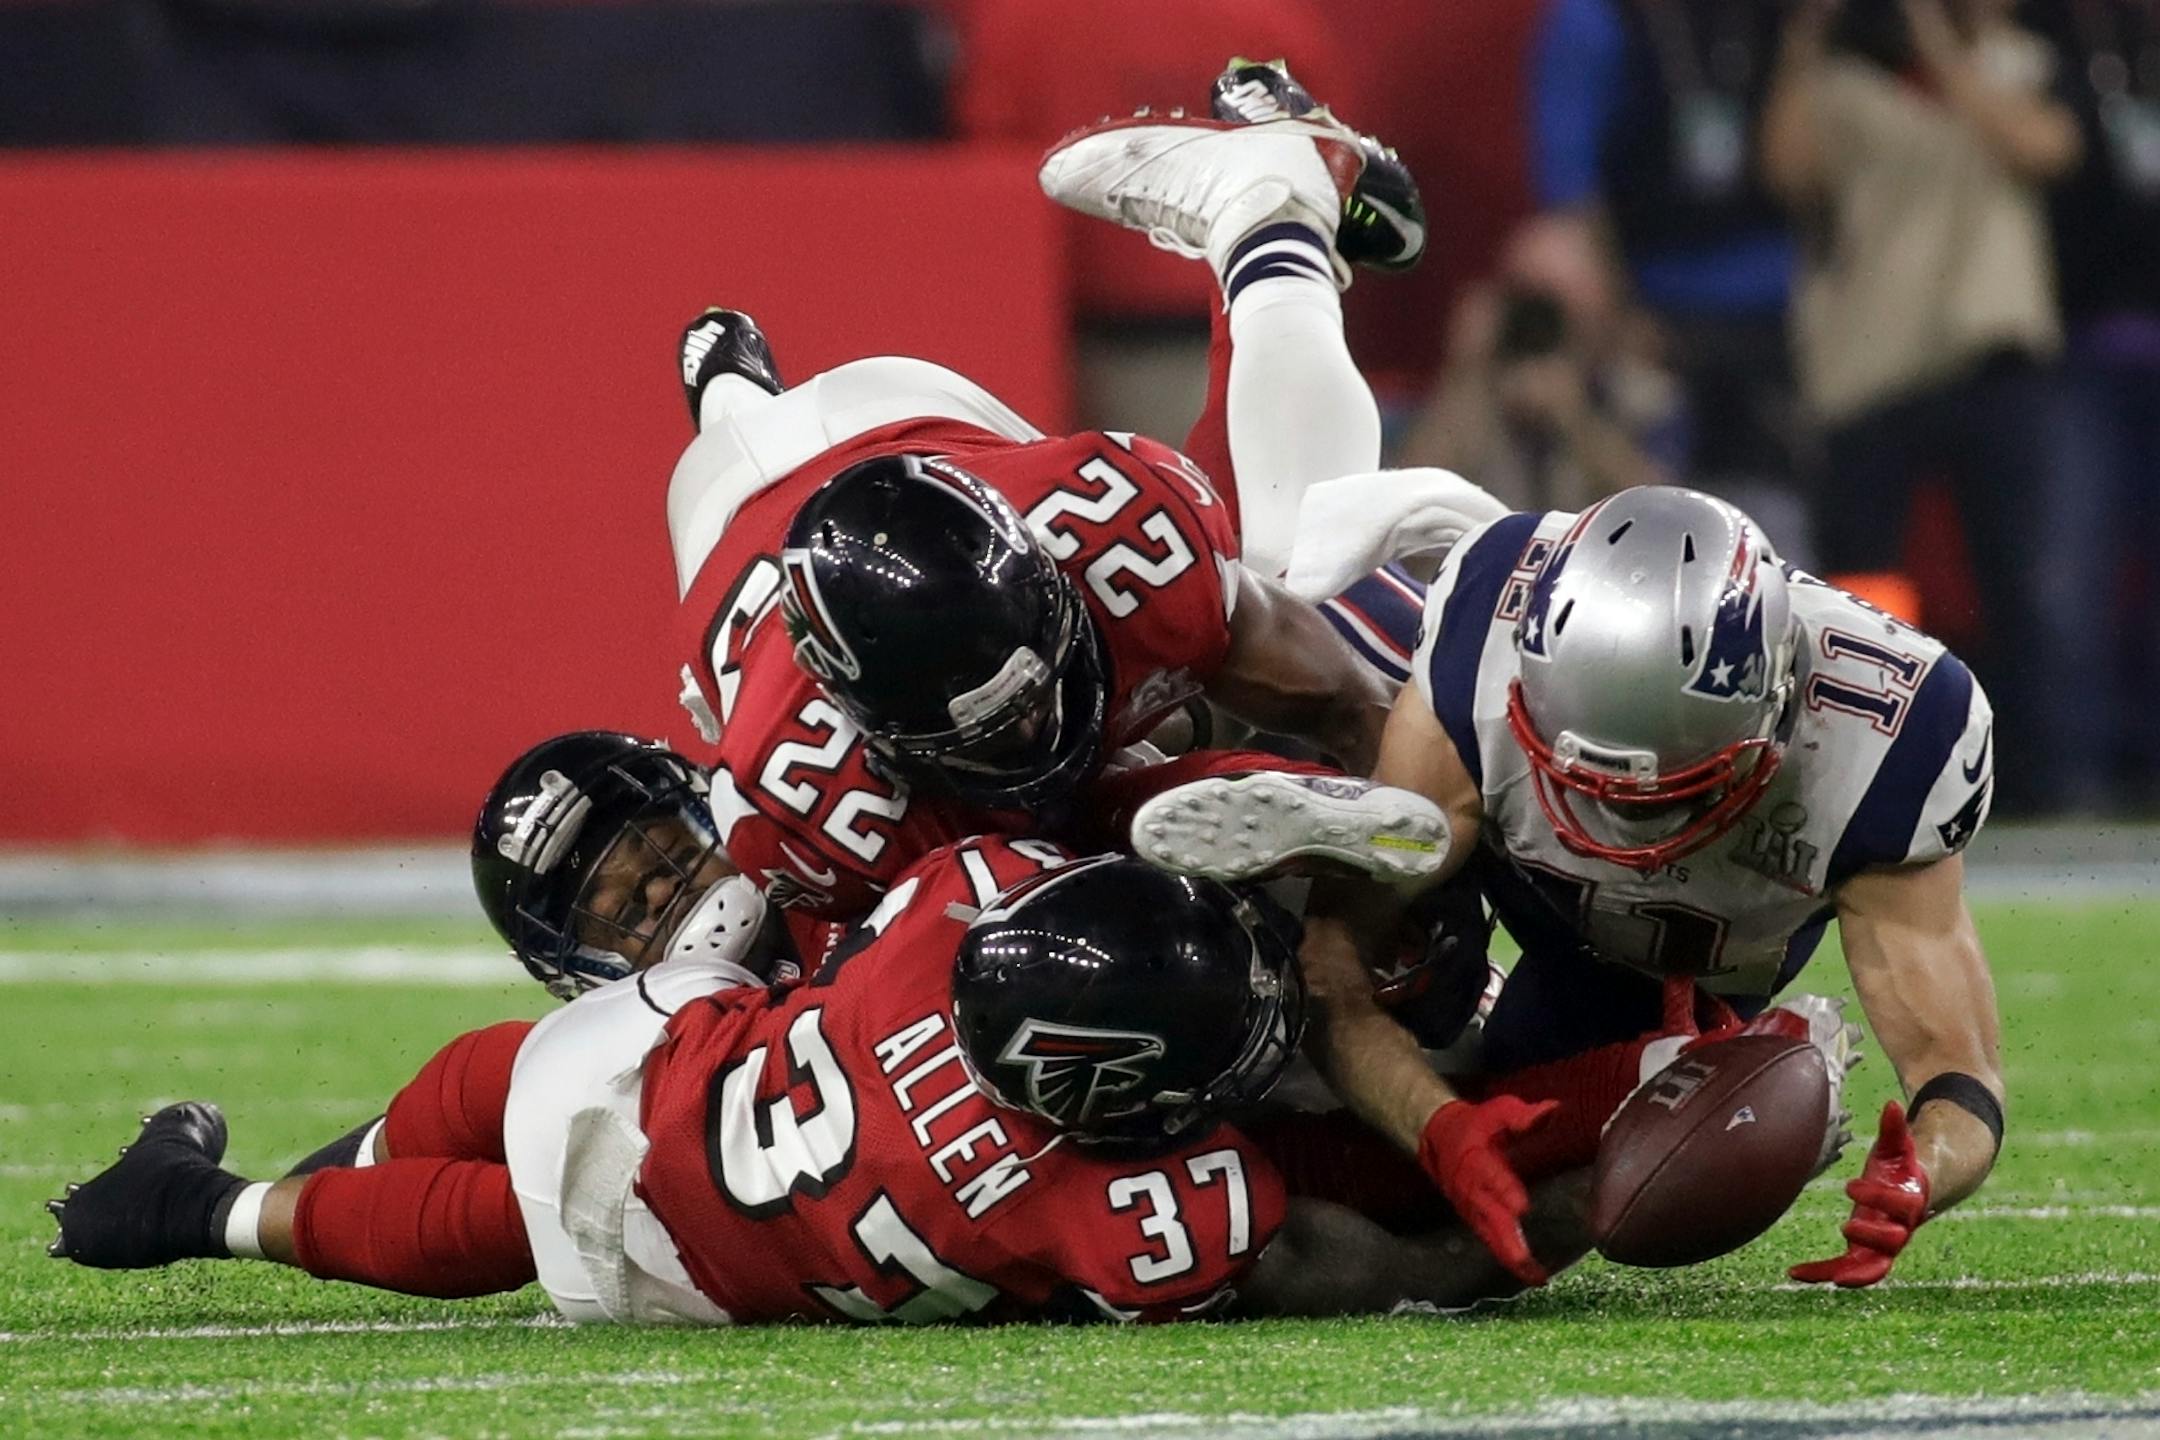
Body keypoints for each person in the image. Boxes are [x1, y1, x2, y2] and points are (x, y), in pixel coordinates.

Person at [47, 841, 1586, 1322]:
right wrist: (1574, 1209)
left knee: (526, 1070)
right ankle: (203, 1204)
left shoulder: (949, 917)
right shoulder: (1097, 1211)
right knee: (520, 1218)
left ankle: (270, 1165)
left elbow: (1023, 874)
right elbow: (1397, 1263)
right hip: (670, 1227)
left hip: (671, 1039)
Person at [1144, 487, 2001, 1288]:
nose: (1612, 824)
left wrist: (1921, 1171)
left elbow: (1958, 1077)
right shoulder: (1486, 645)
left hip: (1666, 958)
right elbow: (1335, 966)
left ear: (1777, 716)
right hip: (1496, 854)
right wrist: (1434, 1123)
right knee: (1386, 913)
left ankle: (1664, 1055)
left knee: (1542, 1192)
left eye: (1668, 796)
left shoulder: (1888, 746)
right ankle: (1218, 733)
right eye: (1582, 781)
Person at [667, 103, 1497, 926]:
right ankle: (731, 392)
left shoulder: (1109, 524)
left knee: (1291, 558)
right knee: (1013, 888)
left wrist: (1420, 839)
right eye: (996, 731)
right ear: (873, 732)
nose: (1036, 725)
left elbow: (1342, 706)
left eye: (1033, 687)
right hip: (728, 505)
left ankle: (1269, 210)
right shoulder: (800, 808)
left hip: (898, 411)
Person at [1760, 0, 2081, 813]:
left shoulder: (2023, 61)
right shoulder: (1843, 83)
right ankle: (1851, 781)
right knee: (1862, 591)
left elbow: (2045, 148)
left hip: (1994, 356)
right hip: (1874, 365)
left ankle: (2039, 789)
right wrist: (1806, 40)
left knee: (2026, 585)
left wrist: (1937, 41)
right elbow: (1788, 173)